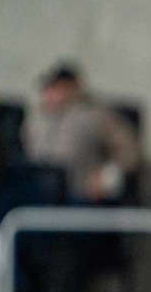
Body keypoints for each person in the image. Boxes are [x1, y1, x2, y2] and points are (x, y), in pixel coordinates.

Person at [24, 62, 140, 204]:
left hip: (80, 195)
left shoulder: (94, 115)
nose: (52, 93)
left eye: (60, 87)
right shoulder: (36, 119)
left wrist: (108, 177)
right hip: (38, 193)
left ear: (73, 87)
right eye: (51, 87)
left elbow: (129, 151)